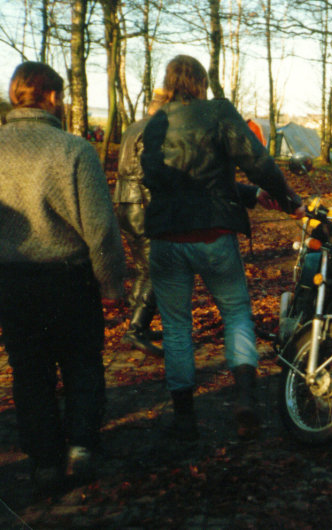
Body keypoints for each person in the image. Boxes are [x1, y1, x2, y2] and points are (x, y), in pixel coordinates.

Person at [141, 55, 304, 441]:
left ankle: (185, 419)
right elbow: (258, 161)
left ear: (169, 81)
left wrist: (250, 194)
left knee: (176, 327)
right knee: (236, 313)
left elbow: (166, 180)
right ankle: (245, 399)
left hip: (166, 235)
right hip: (214, 233)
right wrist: (286, 196)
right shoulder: (218, 112)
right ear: (201, 81)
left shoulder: (156, 123)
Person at [0, 62, 126, 492]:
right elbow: (100, 227)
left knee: (29, 372)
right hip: (70, 279)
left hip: (12, 281)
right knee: (82, 363)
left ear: (16, 96)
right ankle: (81, 448)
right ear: (52, 97)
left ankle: (44, 462)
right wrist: (110, 284)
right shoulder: (75, 150)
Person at [114, 89, 169, 356]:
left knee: (143, 267)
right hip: (141, 204)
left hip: (123, 201)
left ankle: (137, 326)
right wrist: (157, 208)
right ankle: (136, 329)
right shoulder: (153, 130)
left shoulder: (132, 128)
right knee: (157, 268)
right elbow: (147, 173)